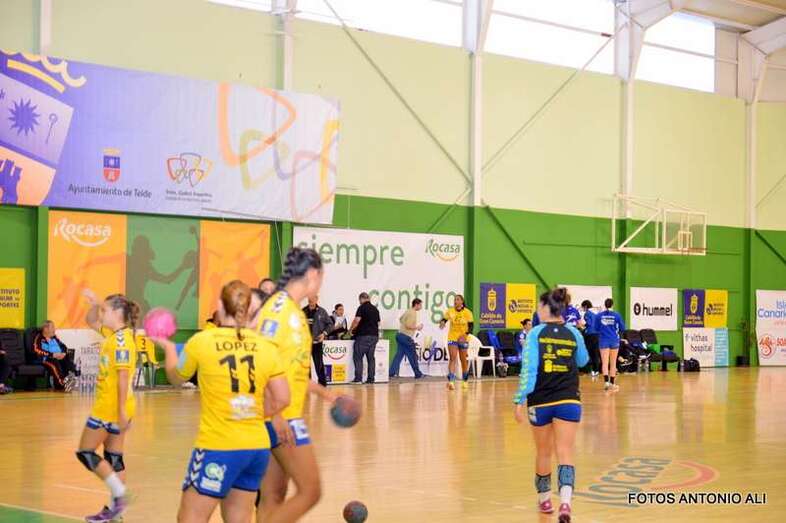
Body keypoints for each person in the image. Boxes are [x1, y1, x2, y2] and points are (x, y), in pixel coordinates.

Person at [153, 280, 291, 523]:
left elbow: (176, 378)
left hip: (219, 445)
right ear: (248, 310)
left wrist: (169, 348)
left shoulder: (203, 341)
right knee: (239, 518)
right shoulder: (266, 347)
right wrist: (251, 413)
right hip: (256, 447)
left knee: (190, 517)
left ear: (219, 305)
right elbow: (282, 398)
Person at [256, 248, 337, 523]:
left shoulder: (293, 311)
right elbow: (259, 363)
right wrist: (276, 414)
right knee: (311, 491)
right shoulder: (278, 311)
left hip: (279, 415)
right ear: (313, 274)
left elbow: (292, 370)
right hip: (281, 418)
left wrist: (325, 394)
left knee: (273, 496)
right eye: (322, 277)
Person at [513, 288, 589, 523]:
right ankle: (565, 503)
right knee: (565, 452)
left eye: (539, 305)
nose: (537, 310)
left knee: (543, 452)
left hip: (541, 401)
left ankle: (545, 499)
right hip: (569, 400)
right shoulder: (574, 333)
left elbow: (529, 369)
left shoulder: (535, 333)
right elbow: (583, 360)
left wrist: (520, 399)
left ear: (547, 308)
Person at [77, 291, 140, 522]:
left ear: (117, 313)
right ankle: (116, 512)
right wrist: (96, 304)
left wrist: (121, 411)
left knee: (85, 453)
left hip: (110, 407)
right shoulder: (114, 335)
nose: (101, 314)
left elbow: (123, 376)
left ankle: (120, 494)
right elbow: (90, 320)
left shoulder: (121, 341)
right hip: (118, 407)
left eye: (105, 310)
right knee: (114, 458)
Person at [439, 295, 473, 391]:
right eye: (454, 300)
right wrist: (442, 323)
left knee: (463, 360)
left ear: (462, 301)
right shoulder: (450, 311)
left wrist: (465, 335)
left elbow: (471, 327)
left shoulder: (467, 312)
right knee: (453, 358)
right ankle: (451, 381)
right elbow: (444, 319)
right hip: (452, 338)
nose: (455, 301)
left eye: (457, 299)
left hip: (463, 338)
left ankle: (465, 380)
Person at [33, 320, 78, 392]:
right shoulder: (39, 338)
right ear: (45, 329)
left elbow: (63, 346)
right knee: (54, 363)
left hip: (58, 356)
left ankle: (71, 377)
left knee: (67, 358)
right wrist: (52, 355)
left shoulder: (54, 337)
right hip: (46, 358)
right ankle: (62, 384)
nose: (54, 329)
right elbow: (37, 350)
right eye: (52, 327)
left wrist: (63, 353)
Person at [593, 298, 626, 392]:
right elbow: (623, 328)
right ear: (612, 305)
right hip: (614, 340)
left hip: (603, 340)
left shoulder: (599, 315)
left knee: (604, 362)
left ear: (605, 305)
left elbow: (595, 328)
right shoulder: (617, 315)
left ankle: (606, 382)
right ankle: (612, 383)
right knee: (613, 363)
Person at [349, 292, 381, 385]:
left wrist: (350, 330)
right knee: (371, 358)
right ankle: (371, 379)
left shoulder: (361, 307)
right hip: (374, 336)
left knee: (358, 357)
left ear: (361, 299)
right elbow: (378, 323)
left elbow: (357, 320)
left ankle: (358, 379)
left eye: (359, 300)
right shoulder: (375, 309)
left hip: (363, 336)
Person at [389, 299, 424, 379]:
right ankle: (418, 374)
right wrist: (417, 327)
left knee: (399, 356)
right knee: (413, 356)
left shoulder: (408, 311)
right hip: (406, 337)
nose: (421, 307)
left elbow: (401, 319)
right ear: (416, 304)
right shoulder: (413, 313)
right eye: (420, 305)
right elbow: (408, 325)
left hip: (400, 335)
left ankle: (391, 373)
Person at [303, 296, 332, 387]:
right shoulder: (303, 311)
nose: (311, 300)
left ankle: (322, 384)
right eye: (309, 298)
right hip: (305, 344)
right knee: (305, 365)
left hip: (317, 343)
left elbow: (330, 324)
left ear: (316, 299)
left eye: (313, 298)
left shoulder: (322, 311)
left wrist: (324, 334)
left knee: (319, 364)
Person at [580, 301, 601, 378]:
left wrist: (583, 325)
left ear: (585, 306)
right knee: (595, 353)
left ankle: (588, 371)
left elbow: (589, 323)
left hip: (590, 335)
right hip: (597, 335)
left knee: (588, 352)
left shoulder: (587, 314)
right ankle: (596, 371)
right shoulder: (595, 314)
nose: (582, 308)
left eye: (582, 307)